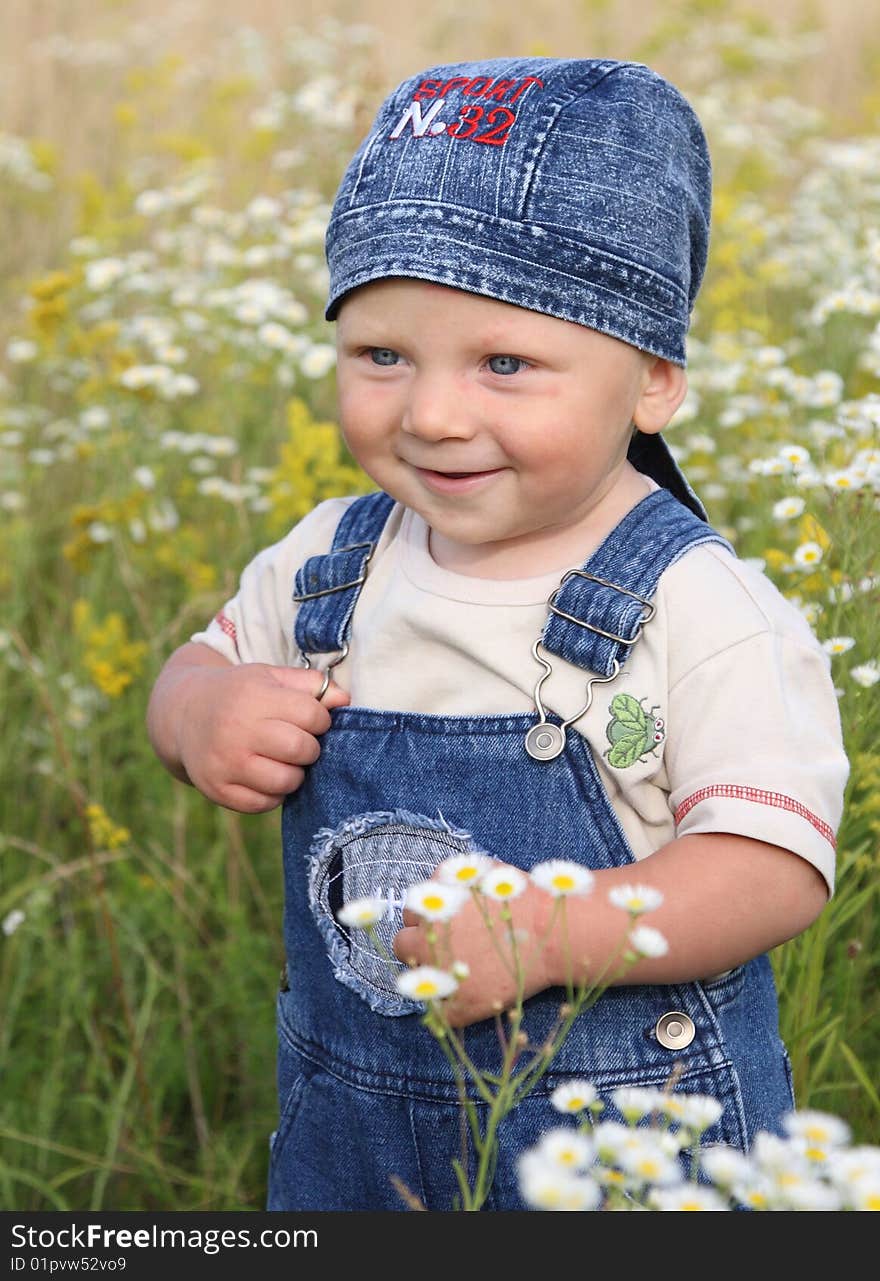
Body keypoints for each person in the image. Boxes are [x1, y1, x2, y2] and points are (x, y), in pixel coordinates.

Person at [146, 57, 848, 1211]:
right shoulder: (334, 558)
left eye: (505, 364)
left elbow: (773, 865)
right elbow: (204, 663)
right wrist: (198, 710)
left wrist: (557, 934)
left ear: (653, 381)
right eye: (382, 355)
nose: (429, 413)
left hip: (624, 1143)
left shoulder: (697, 605)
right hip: (351, 1126)